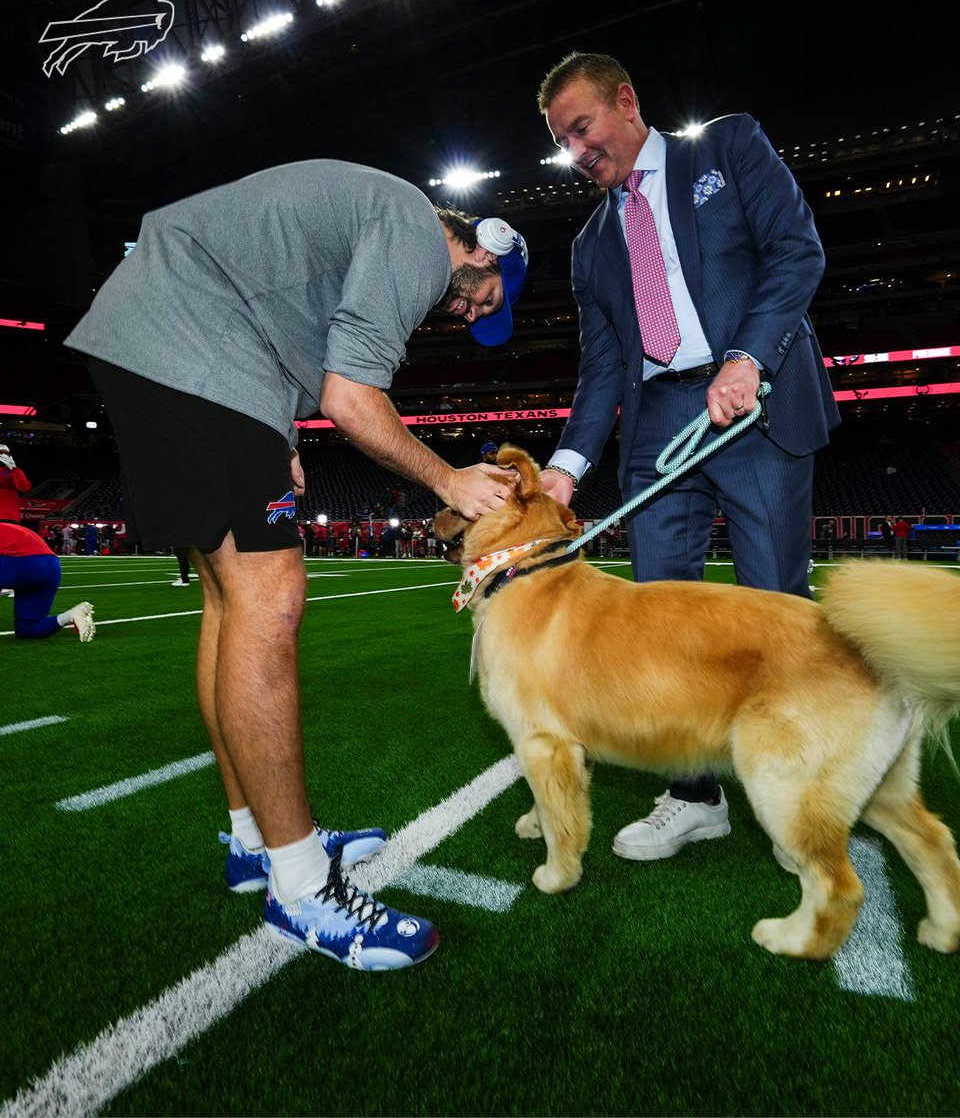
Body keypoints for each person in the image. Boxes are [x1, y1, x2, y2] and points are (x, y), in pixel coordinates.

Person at [64, 160, 529, 972]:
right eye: (477, 298)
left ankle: (256, 841)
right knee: (271, 600)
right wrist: (449, 478)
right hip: (186, 338)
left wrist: (275, 436)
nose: (460, 312)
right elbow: (350, 399)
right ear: (483, 251)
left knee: (228, 599)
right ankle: (304, 887)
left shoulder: (371, 219)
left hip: (164, 330)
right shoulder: (418, 235)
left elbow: (276, 315)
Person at [536, 52, 839, 864]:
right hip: (660, 419)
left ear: (626, 101)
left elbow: (796, 252)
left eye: (582, 127)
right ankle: (694, 795)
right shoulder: (589, 245)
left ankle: (802, 791)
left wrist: (749, 357)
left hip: (754, 399)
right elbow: (602, 369)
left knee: (776, 607)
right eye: (563, 140)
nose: (576, 149)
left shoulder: (728, 148)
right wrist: (565, 465)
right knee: (660, 623)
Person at [0, 521, 95, 641]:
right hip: (52, 567)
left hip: (23, 563)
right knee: (28, 630)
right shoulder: (13, 528)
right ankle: (71, 615)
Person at [0, 443, 31, 523]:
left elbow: (25, 487)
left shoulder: (13, 471)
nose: (3, 455)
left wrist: (14, 469)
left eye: (6, 453)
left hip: (8, 515)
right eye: (1, 452)